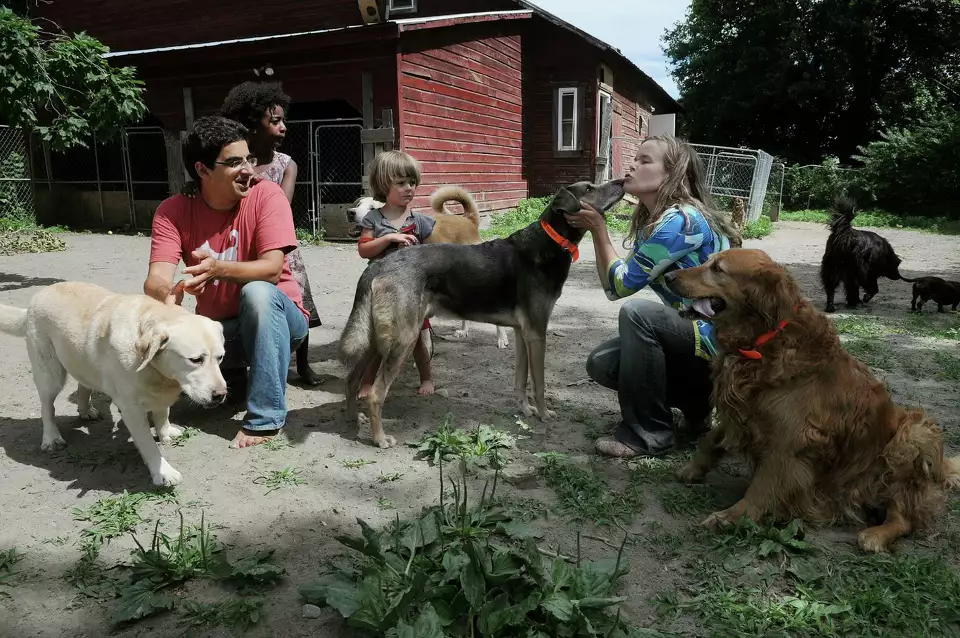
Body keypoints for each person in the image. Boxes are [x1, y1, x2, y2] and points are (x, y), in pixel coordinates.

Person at [564, 134, 741, 459]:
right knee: (603, 363)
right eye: (635, 159)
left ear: (672, 174)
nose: (632, 165)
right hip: (703, 343)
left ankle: (649, 434)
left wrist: (599, 230)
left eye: (645, 160)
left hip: (719, 345)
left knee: (638, 314)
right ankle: (697, 407)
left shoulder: (680, 221)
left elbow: (620, 288)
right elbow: (613, 286)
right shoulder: (658, 221)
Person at [144, 116, 309, 449]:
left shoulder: (267, 196)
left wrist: (219, 269)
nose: (249, 169)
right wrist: (172, 293)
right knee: (173, 328)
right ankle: (228, 375)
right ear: (203, 170)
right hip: (222, 333)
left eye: (248, 158)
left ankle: (265, 419)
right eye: (235, 162)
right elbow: (155, 281)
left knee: (259, 293)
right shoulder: (172, 211)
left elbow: (273, 269)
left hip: (280, 324)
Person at [186, 81, 323, 384]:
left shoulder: (284, 164)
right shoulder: (225, 167)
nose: (283, 127)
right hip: (242, 243)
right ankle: (235, 373)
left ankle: (301, 364)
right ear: (251, 125)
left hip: (278, 243)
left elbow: (281, 205)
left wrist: (258, 192)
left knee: (294, 300)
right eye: (275, 121)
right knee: (238, 300)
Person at [355, 150, 436, 397]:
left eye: (412, 182)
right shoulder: (373, 220)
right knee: (377, 342)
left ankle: (427, 378)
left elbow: (432, 256)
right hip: (382, 290)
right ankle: (368, 383)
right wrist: (389, 238)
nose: (409, 188)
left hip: (413, 293)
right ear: (383, 185)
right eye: (401, 183)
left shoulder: (421, 222)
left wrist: (414, 250)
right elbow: (364, 250)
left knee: (417, 340)